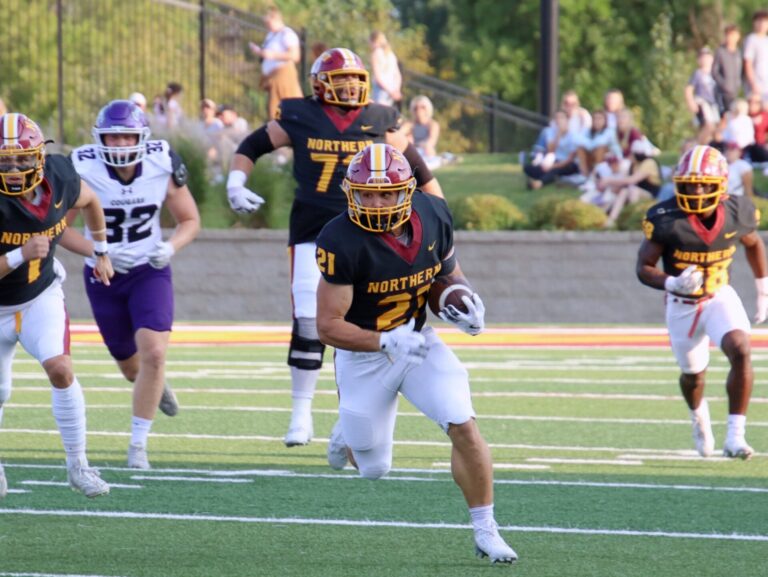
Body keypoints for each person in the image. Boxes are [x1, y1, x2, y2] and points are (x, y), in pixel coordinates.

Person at [225, 47, 444, 448]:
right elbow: (252, 145)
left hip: (370, 234)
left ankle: (352, 418)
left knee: (366, 322)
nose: (348, 87)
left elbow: (418, 167)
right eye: (340, 79)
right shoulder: (300, 114)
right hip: (313, 230)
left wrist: (438, 212)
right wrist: (235, 181)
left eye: (354, 80)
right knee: (309, 318)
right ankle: (301, 413)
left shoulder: (379, 118)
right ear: (318, 84)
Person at [316, 142, 517, 565]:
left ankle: (486, 529)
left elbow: (448, 276)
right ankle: (345, 434)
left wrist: (465, 305)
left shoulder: (434, 214)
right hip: (364, 355)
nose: (375, 203)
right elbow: (328, 326)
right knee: (373, 468)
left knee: (463, 424)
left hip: (418, 342)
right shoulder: (340, 239)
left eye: (385, 194)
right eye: (366, 194)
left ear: (406, 192)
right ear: (351, 192)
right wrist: (383, 341)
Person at [62, 100, 200, 469]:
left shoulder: (160, 163)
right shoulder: (84, 168)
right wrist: (99, 251)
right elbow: (58, 229)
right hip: (103, 275)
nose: (121, 143)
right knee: (131, 367)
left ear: (142, 138)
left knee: (154, 353)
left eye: (128, 136)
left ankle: (138, 445)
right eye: (114, 136)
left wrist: (170, 247)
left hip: (148, 270)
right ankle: (155, 381)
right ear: (100, 138)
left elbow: (190, 219)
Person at [0, 112, 113, 498]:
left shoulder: (60, 176)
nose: (13, 170)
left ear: (39, 157)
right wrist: (19, 254)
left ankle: (78, 465)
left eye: (21, 159)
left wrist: (100, 250)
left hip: (39, 296)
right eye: (5, 162)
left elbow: (91, 200)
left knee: (61, 369)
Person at [636, 144, 765, 460]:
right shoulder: (666, 218)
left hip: (719, 296)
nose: (696, 190)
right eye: (689, 184)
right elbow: (643, 267)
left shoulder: (737, 212)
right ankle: (698, 416)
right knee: (693, 375)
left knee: (741, 349)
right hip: (682, 305)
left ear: (720, 185)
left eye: (703, 184)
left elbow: (753, 243)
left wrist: (763, 289)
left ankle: (735, 436)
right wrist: (671, 282)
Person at [249, 6, 303, 120]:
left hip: (283, 74)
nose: (267, 26)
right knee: (274, 110)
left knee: (287, 107)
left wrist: (273, 55)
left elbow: (295, 56)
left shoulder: (287, 34)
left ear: (276, 19)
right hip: (272, 77)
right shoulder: (271, 35)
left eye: (269, 23)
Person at [602, 138, 662, 227]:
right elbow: (625, 182)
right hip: (634, 191)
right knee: (624, 191)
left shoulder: (649, 162)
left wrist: (609, 180)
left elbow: (632, 180)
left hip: (650, 194)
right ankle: (611, 220)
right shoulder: (633, 165)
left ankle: (633, 217)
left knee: (632, 190)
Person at [522, 109, 580, 189]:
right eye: (557, 118)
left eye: (561, 118)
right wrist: (558, 135)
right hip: (554, 160)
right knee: (528, 168)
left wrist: (552, 166)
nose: (559, 120)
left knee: (555, 170)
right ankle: (553, 178)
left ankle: (539, 183)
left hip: (568, 164)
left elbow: (570, 159)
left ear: (567, 120)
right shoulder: (551, 132)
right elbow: (551, 151)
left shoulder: (573, 135)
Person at [685, 47, 720, 144]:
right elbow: (689, 89)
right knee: (708, 125)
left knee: (714, 129)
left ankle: (705, 146)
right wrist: (691, 102)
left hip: (713, 104)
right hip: (702, 102)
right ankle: (697, 145)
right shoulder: (698, 73)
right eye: (703, 57)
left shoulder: (714, 74)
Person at [403, 95, 442, 170]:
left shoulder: (433, 124)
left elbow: (431, 142)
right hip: (413, 152)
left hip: (426, 152)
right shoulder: (410, 124)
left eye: (423, 107)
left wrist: (418, 145)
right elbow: (399, 134)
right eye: (416, 108)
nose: (419, 110)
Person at [712, 25, 743, 117]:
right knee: (724, 117)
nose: (730, 38)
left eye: (733, 35)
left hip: (735, 92)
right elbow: (714, 72)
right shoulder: (720, 52)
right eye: (728, 35)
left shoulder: (739, 53)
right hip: (722, 93)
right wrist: (724, 84)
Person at [369, 31, 402, 109]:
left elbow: (377, 77)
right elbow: (398, 75)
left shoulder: (376, 53)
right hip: (393, 90)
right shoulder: (391, 54)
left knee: (378, 112)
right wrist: (396, 90)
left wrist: (389, 90)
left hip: (381, 90)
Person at [743, 10, 768, 102]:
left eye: (765, 22)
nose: (762, 24)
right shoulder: (751, 39)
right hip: (755, 86)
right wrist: (753, 84)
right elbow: (748, 63)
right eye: (759, 21)